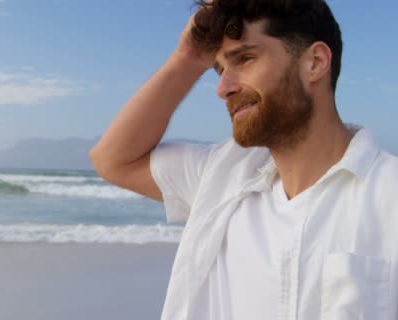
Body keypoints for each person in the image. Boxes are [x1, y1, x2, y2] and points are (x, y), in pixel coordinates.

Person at [89, 0, 398, 319]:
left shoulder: (389, 196)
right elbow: (113, 160)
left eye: (245, 58)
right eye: (220, 69)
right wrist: (187, 59)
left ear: (315, 62)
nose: (223, 88)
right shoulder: (221, 176)